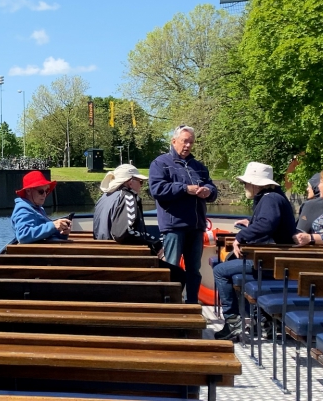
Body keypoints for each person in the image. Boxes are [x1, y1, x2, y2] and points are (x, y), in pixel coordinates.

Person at [212, 162, 297, 340]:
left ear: (255, 184)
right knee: (230, 263)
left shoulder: (270, 199)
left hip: (270, 262)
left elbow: (267, 224)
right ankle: (263, 322)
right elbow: (272, 225)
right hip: (274, 259)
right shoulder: (274, 197)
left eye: (245, 183)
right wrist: (251, 224)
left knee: (219, 270)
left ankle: (233, 322)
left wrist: (241, 236)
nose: (244, 186)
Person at [148, 125, 218, 304]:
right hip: (174, 227)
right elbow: (157, 189)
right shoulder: (160, 163)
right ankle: (170, 305)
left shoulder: (199, 167)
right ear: (173, 141)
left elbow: (212, 188)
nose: (188, 145)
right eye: (184, 141)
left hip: (196, 227)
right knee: (171, 268)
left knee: (194, 270)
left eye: (191, 142)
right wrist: (185, 188)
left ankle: (192, 304)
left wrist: (208, 191)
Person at [11, 170, 71, 244]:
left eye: (46, 191)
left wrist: (62, 232)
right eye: (41, 191)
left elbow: (44, 233)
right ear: (28, 191)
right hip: (34, 253)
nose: (45, 195)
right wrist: (53, 225)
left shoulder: (37, 208)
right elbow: (23, 236)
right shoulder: (23, 209)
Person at [93, 164, 149, 241]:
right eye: (140, 182)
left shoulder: (104, 197)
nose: (141, 185)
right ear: (130, 182)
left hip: (102, 246)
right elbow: (124, 233)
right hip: (118, 250)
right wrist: (151, 240)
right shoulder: (127, 197)